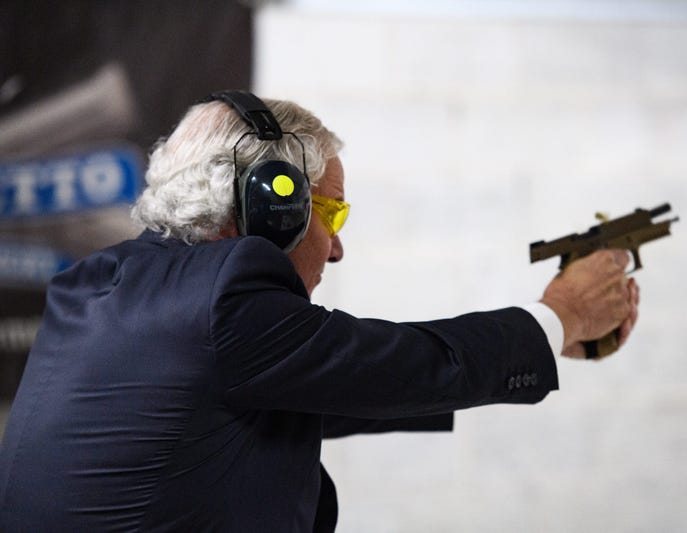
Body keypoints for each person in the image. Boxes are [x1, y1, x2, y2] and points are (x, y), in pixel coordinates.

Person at [0, 91, 639, 532]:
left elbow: (315, 390)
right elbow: (402, 366)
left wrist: (553, 338)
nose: (335, 248)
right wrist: (557, 313)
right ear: (269, 205)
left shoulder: (100, 284)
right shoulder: (227, 296)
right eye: (329, 212)